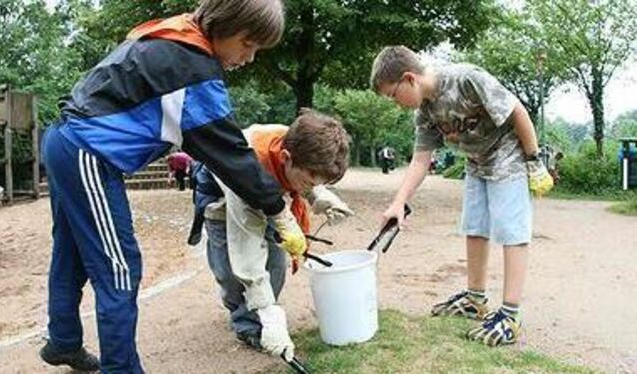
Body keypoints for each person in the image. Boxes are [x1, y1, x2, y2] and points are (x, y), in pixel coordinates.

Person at [38, 1, 308, 372]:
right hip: (88, 153)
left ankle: (63, 342)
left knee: (70, 251)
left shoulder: (175, 33)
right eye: (248, 44)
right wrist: (280, 212)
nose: (250, 57)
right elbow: (230, 154)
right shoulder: (192, 66)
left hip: (65, 144)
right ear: (224, 24)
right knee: (120, 267)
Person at [370, 46, 553, 347]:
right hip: (476, 161)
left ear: (408, 79)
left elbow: (517, 111)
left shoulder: (465, 79)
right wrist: (398, 202)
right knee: (475, 227)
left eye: (393, 95)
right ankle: (476, 299)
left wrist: (534, 161)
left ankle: (510, 314)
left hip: (507, 154)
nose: (394, 103)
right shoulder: (425, 112)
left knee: (511, 231)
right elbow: (420, 160)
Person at [194, 109, 352, 361]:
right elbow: (246, 246)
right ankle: (247, 322)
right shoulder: (246, 164)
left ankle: (257, 317)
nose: (312, 185)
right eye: (310, 182)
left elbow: (303, 173)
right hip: (222, 194)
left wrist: (318, 195)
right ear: (286, 157)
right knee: (231, 270)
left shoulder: (299, 144)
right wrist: (269, 314)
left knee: (276, 263)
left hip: (271, 197)